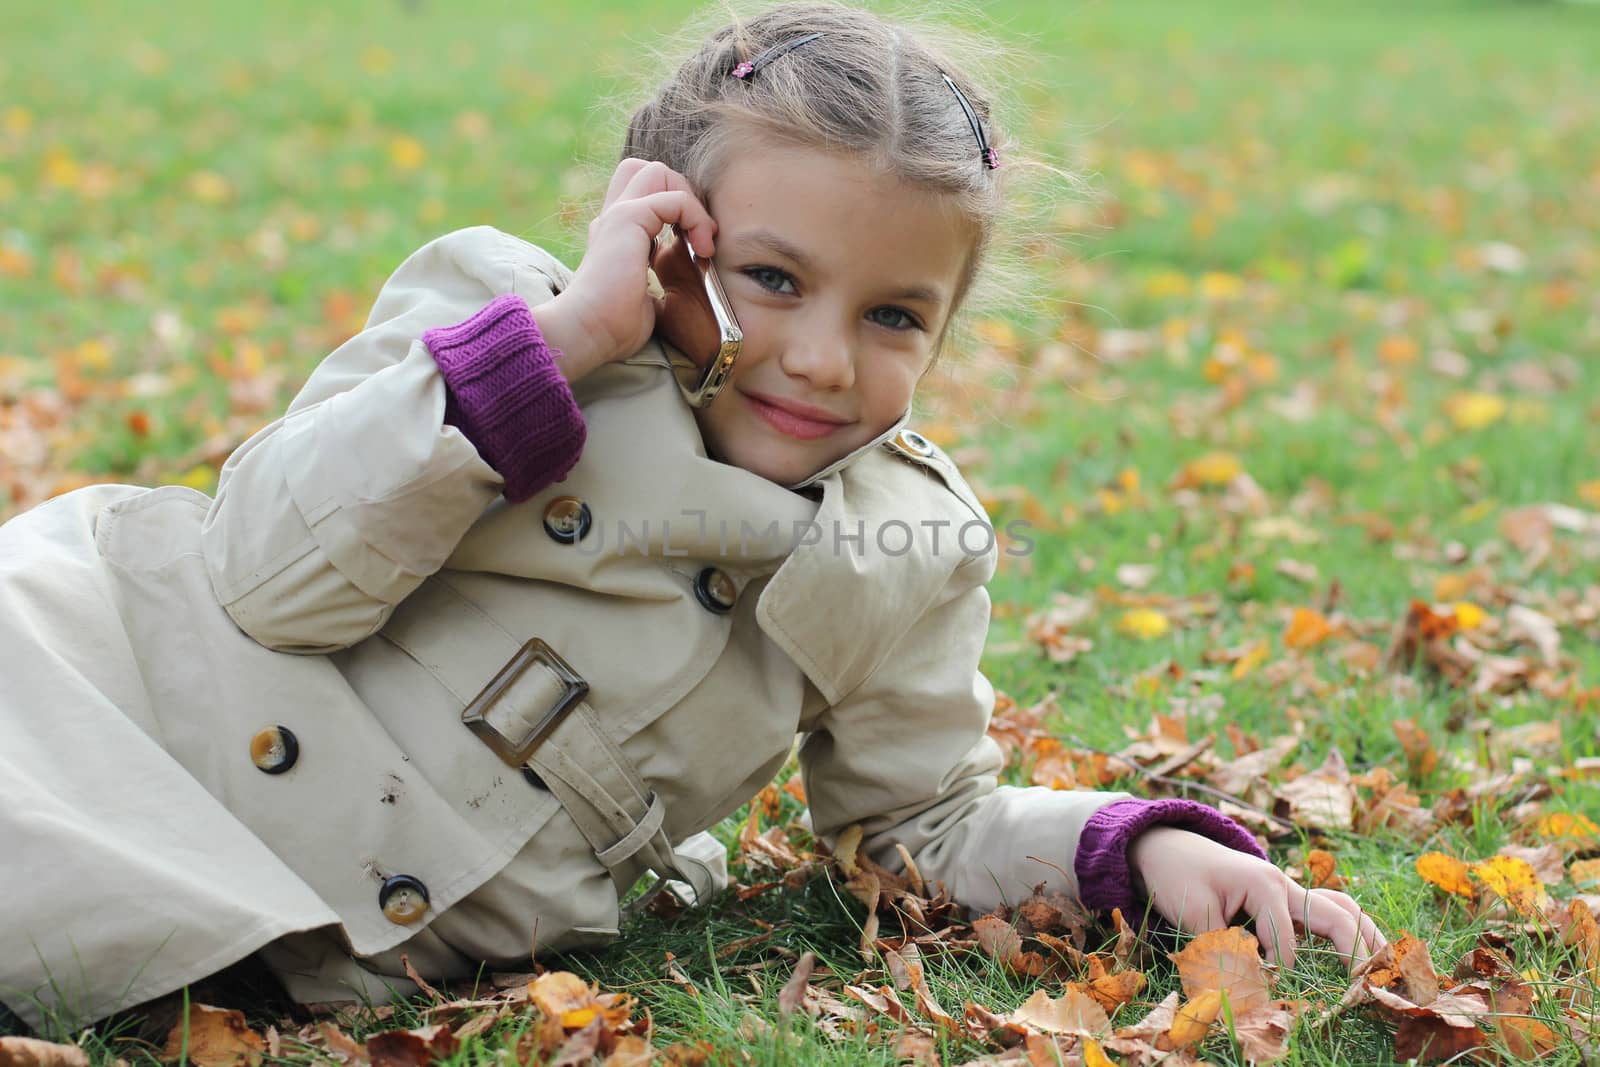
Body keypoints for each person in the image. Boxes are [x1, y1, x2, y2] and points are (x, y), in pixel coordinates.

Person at [0, 0, 1384, 1032]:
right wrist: (564, 340)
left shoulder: (904, 543)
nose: (824, 359)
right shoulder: (506, 322)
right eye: (773, 279)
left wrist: (1136, 847)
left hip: (314, 906)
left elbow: (925, 815)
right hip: (116, 689)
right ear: (661, 229)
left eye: (894, 315)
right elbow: (265, 577)